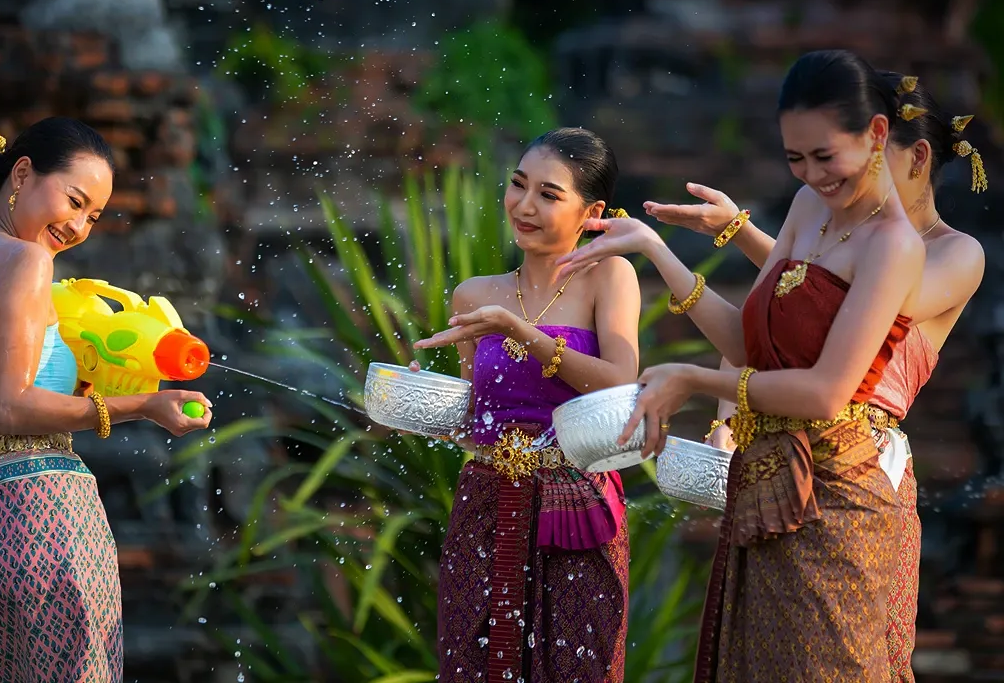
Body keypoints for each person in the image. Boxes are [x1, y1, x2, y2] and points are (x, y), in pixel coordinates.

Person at [555, 50, 928, 681]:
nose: (812, 176)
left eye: (825, 156)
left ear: (877, 135)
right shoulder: (810, 211)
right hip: (765, 491)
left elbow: (825, 392)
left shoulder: (893, 245)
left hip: (840, 503)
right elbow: (752, 340)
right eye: (795, 159)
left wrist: (695, 379)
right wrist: (657, 249)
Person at [642, 72, 986, 682]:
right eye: (801, 160)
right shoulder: (831, 218)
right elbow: (787, 321)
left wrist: (745, 234)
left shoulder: (951, 253)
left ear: (911, 154)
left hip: (855, 468)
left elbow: (846, 309)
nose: (832, 178)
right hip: (775, 464)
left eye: (837, 157)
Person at [0, 117, 213, 682]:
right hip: (40, 518)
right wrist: (140, 405)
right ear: (22, 173)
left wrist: (73, 385)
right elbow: (9, 408)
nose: (77, 226)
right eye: (74, 201)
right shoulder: (26, 263)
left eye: (92, 217)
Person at [411, 127, 641, 681]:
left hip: (577, 505)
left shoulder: (609, 275)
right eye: (518, 186)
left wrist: (525, 334)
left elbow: (620, 387)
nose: (524, 205)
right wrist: (420, 402)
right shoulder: (474, 295)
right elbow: (475, 421)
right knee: (476, 664)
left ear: (593, 211)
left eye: (549, 194)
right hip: (486, 504)